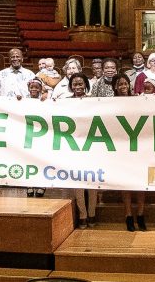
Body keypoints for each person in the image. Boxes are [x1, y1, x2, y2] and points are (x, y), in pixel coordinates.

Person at [113, 73, 147, 231]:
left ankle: (140, 214)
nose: (123, 86)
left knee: (141, 182)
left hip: (139, 145)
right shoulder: (108, 103)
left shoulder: (138, 101)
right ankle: (128, 216)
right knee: (126, 183)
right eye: (120, 84)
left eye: (125, 83)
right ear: (115, 87)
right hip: (120, 147)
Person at [67, 72, 97, 228]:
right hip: (73, 148)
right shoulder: (63, 102)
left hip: (92, 146)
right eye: (75, 84)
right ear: (71, 86)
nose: (77, 86)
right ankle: (82, 216)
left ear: (86, 84)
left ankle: (92, 214)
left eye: (80, 84)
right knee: (77, 183)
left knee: (92, 182)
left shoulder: (95, 101)